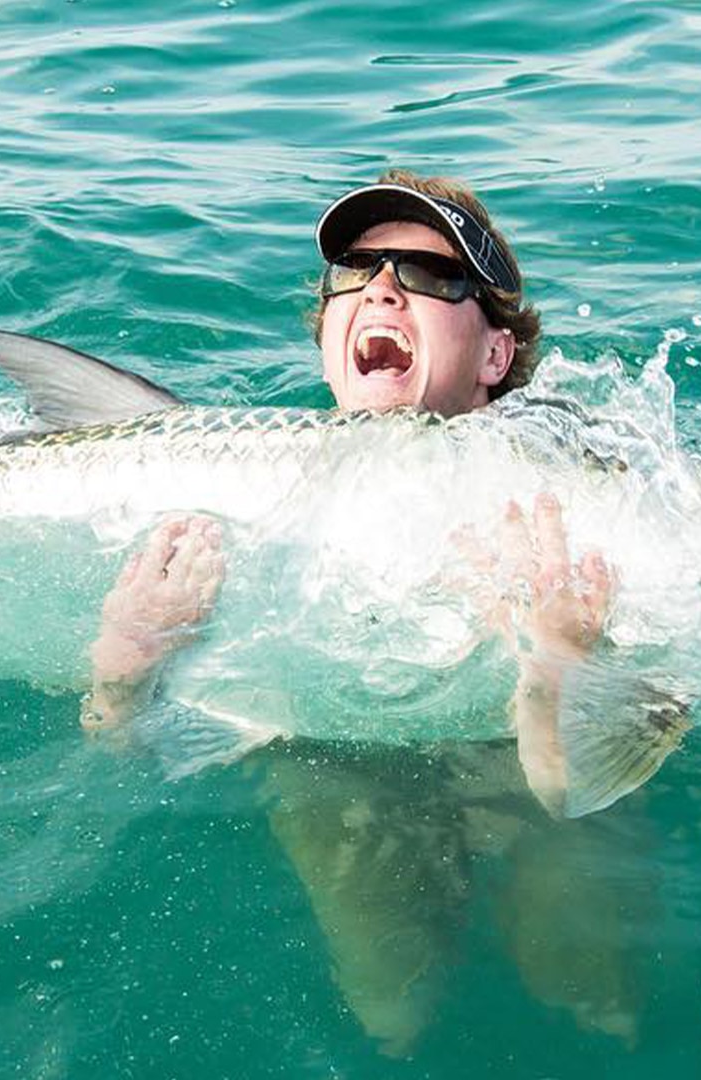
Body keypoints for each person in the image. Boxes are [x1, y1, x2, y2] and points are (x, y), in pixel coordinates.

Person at [78, 169, 612, 815]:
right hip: (325, 758)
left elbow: (568, 793)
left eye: (428, 274)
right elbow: (122, 758)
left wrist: (556, 666)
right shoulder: (228, 491)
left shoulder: (579, 474)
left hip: (503, 760)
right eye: (354, 271)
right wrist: (123, 667)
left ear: (495, 357)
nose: (381, 289)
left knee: (575, 902)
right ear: (328, 341)